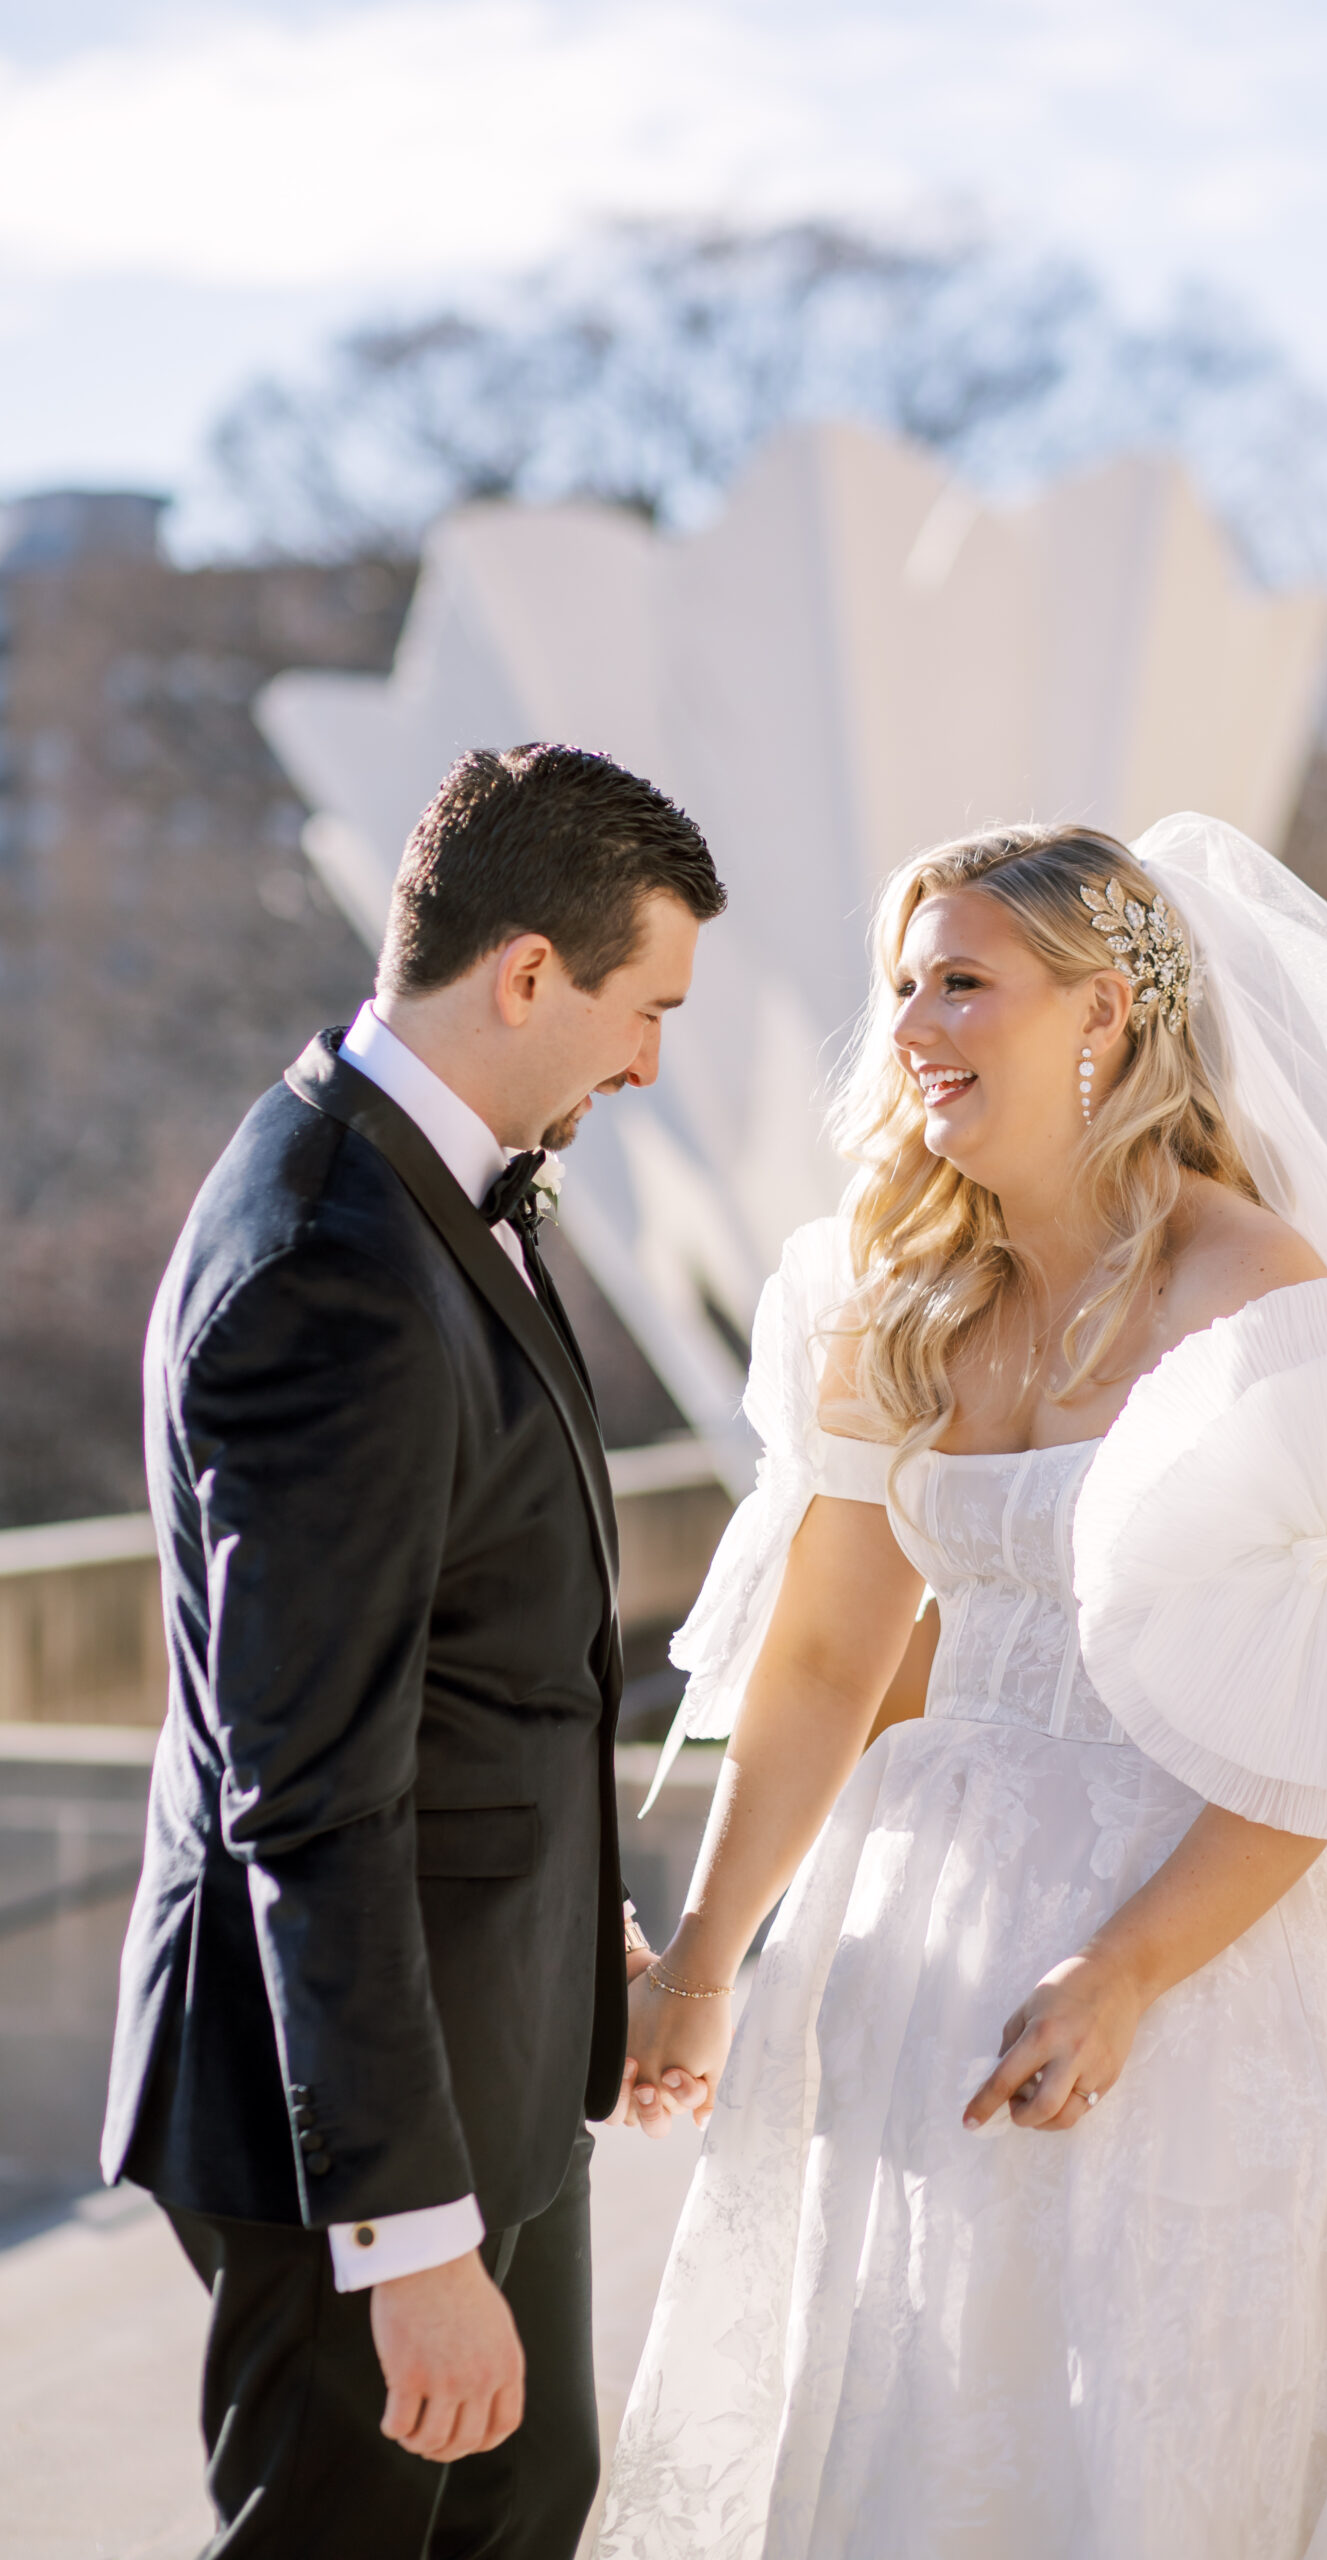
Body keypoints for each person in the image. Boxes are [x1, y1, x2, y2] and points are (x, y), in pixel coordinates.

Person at [599, 815, 1327, 2559]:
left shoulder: (1256, 1293)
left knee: (1145, 2432)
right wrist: (707, 1961)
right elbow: (822, 1658)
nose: (911, 1028)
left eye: (962, 984)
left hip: (1186, 1954)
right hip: (919, 1930)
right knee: (912, 2415)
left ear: (1104, 1013)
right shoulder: (895, 1299)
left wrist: (1127, 1966)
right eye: (903, 988)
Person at [102, 743, 725, 2557]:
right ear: (527, 972)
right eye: (646, 1010)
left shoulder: (425, 1185)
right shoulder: (331, 1262)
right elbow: (308, 1788)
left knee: (523, 2514)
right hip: (353, 2125)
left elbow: (478, 1667)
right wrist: (405, 2236)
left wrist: (578, 1945)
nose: (649, 1065)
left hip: (483, 2052)